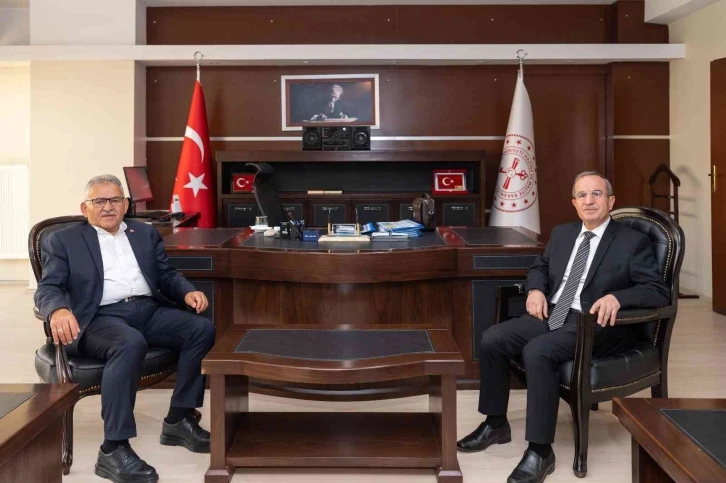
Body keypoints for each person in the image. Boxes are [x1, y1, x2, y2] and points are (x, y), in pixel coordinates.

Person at [457, 171, 669, 483]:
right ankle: (496, 423)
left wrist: (618, 298)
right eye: (582, 195)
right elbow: (540, 267)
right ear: (574, 203)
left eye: (597, 194)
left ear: (611, 201)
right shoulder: (563, 233)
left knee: (538, 351)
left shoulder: (632, 241)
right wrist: (535, 290)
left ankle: (540, 451)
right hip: (555, 313)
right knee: (492, 338)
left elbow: (657, 291)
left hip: (594, 323)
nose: (589, 201)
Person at [35, 174, 216, 483]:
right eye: (99, 201)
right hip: (97, 317)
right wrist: (58, 309)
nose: (108, 206)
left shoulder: (144, 232)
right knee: (129, 343)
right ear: (85, 208)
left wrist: (186, 291)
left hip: (147, 310)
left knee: (201, 329)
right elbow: (48, 287)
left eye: (115, 199)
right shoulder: (64, 240)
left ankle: (179, 419)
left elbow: (165, 273)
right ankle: (113, 448)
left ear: (126, 204)